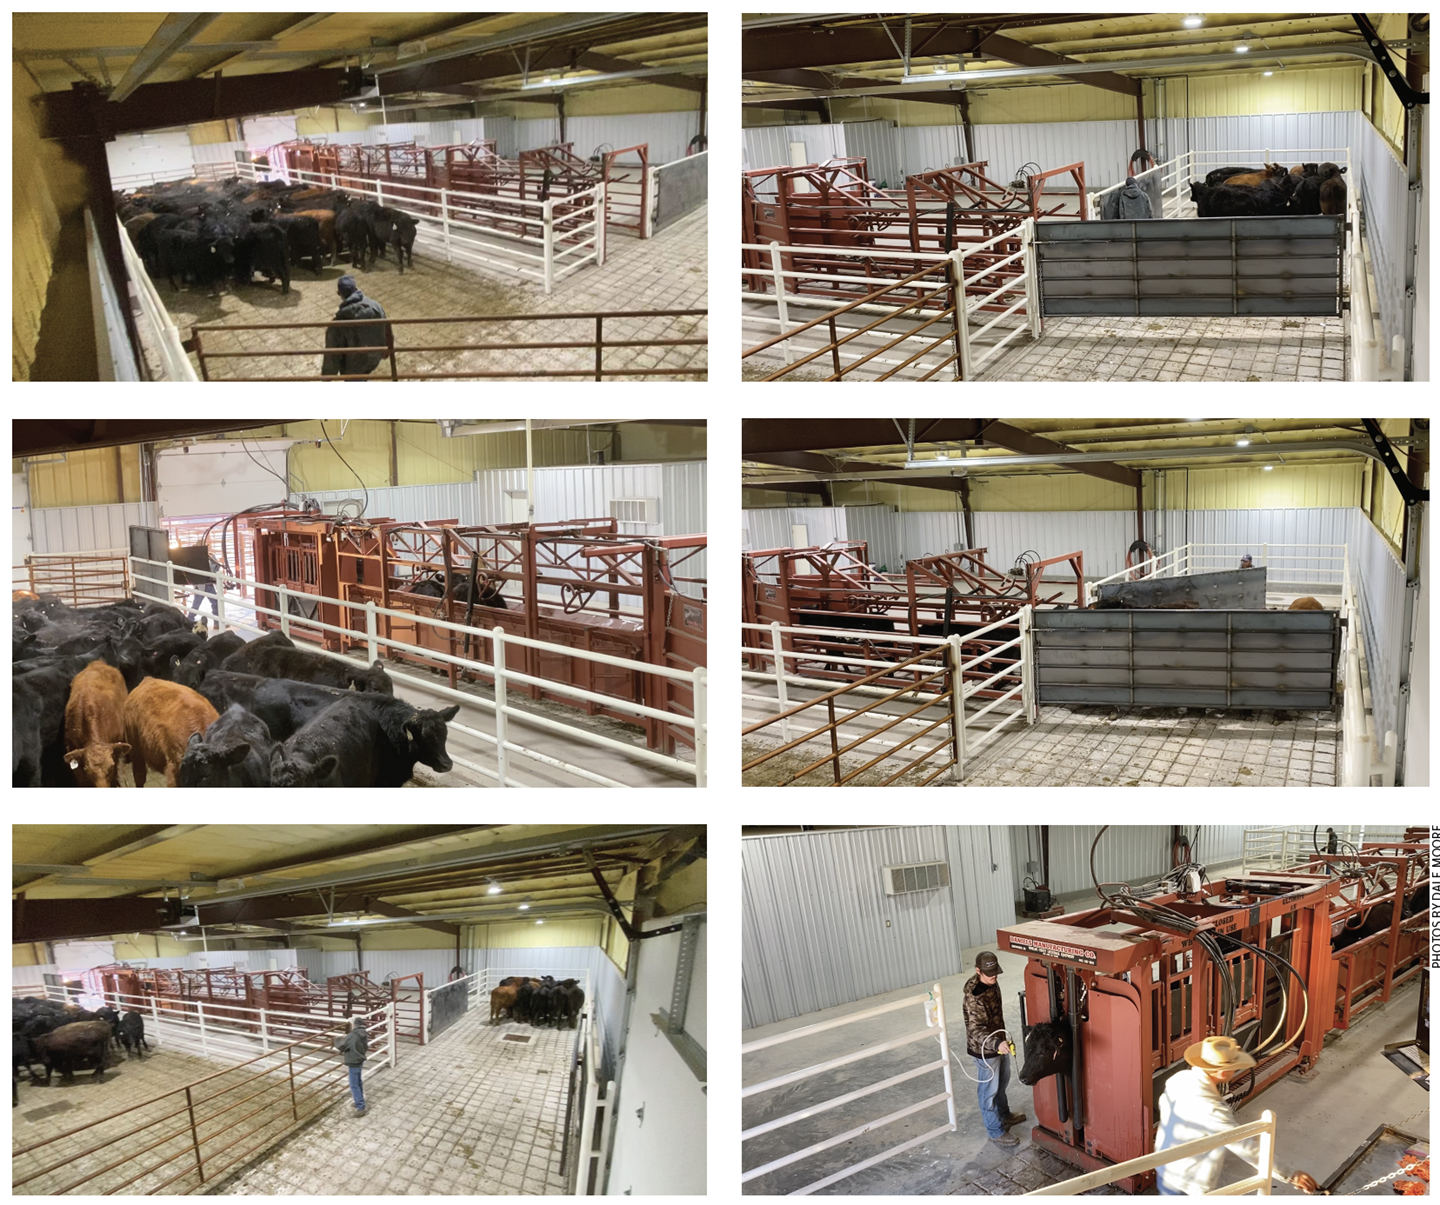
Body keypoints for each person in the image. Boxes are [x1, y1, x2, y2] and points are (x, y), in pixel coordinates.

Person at [1155, 1035, 1317, 1195]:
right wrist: (1290, 1174)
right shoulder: (1212, 1109)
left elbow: (1163, 1107)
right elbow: (1244, 1145)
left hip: (1166, 1167)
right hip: (1189, 1183)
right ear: (1222, 1072)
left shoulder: (1179, 1079)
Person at [962, 951, 1025, 1147]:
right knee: (988, 1090)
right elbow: (975, 1030)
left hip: (999, 1042)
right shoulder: (974, 996)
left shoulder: (991, 981)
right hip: (984, 1050)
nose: (993, 976)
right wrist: (997, 1044)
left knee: (1002, 1082)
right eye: (989, 973)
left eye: (995, 972)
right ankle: (995, 1131)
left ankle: (1004, 1115)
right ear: (977, 970)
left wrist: (1001, 1040)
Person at [321, 275, 389, 379]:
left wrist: (327, 376)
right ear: (356, 288)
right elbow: (387, 329)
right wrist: (387, 350)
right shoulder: (376, 306)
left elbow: (332, 355)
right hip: (373, 358)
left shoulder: (338, 324)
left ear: (339, 294)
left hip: (353, 367)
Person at [334, 1015, 369, 1116]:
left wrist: (338, 1039)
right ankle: (360, 1100)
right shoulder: (364, 1034)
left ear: (354, 1025)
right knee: (358, 1082)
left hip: (353, 1060)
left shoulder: (352, 1036)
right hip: (360, 1059)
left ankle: (360, 1106)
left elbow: (342, 1045)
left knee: (354, 1084)